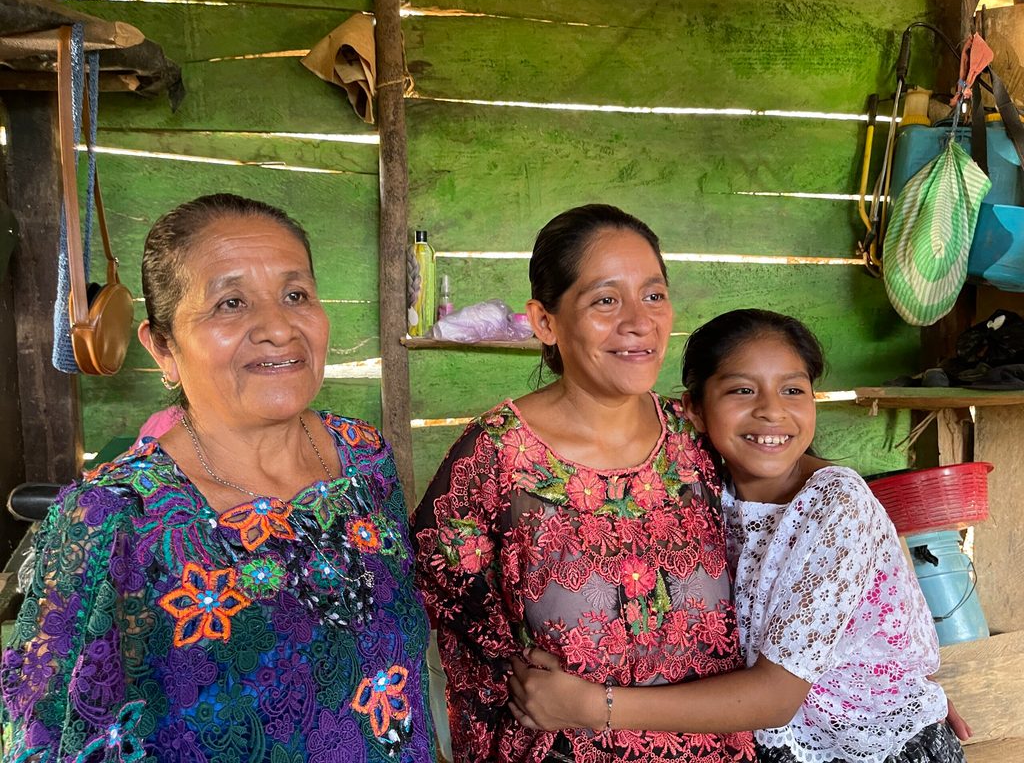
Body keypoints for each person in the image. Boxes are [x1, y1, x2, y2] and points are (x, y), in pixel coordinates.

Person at [1, 194, 436, 762]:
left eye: (296, 295)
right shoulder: (113, 518)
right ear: (163, 348)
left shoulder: (363, 458)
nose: (278, 328)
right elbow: (46, 737)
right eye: (230, 303)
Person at [507, 309, 968, 763]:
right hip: (769, 745)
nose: (771, 410)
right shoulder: (699, 487)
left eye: (793, 389)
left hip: (873, 751)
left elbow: (775, 697)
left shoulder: (835, 503)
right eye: (742, 390)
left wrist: (592, 706)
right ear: (695, 410)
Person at [413, 205, 755, 762]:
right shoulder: (497, 457)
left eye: (653, 295)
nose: (639, 322)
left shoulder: (702, 441)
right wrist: (510, 664)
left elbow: (797, 561)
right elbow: (442, 591)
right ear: (545, 322)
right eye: (604, 300)